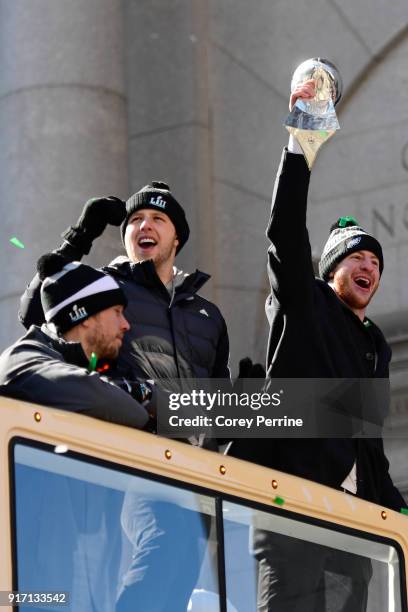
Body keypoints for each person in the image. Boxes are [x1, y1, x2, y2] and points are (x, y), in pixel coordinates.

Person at [230, 79, 407, 611]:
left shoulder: (374, 345)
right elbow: (284, 232)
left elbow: (369, 451)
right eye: (357, 258)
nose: (369, 268)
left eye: (376, 263)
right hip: (293, 521)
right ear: (330, 271)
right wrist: (302, 141)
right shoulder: (306, 310)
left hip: (352, 539)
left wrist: (397, 514)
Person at [18, 183, 230, 611]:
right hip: (129, 449)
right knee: (163, 547)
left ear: (177, 238)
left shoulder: (207, 314)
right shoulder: (107, 287)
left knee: (177, 570)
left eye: (157, 219)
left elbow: (219, 394)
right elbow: (36, 312)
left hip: (192, 464)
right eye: (135, 220)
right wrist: (79, 237)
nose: (144, 225)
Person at [0, 252, 152, 428]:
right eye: (117, 312)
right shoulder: (21, 360)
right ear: (84, 315)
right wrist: (141, 392)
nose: (126, 325)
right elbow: (127, 410)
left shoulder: (83, 368)